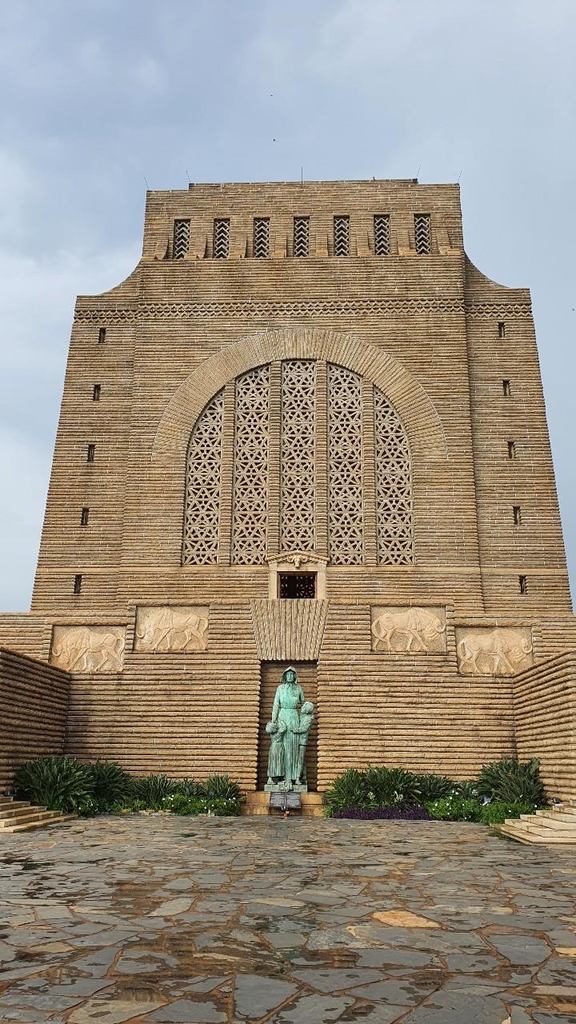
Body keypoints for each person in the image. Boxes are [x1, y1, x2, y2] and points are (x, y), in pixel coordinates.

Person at [269, 666, 305, 786]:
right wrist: (274, 720)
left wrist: (306, 719)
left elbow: (304, 706)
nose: (290, 676)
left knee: (293, 748)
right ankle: (282, 776)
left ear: (295, 676)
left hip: (294, 717)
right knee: (282, 748)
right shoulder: (280, 688)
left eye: (292, 674)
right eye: (288, 674)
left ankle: (293, 777)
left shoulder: (299, 689)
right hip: (283, 715)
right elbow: (275, 704)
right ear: (284, 676)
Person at [292, 701, 314, 786]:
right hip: (297, 740)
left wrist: (294, 730)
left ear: (307, 709)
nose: (302, 707)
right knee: (300, 760)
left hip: (302, 742)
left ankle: (297, 778)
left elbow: (303, 729)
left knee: (300, 760)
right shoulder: (302, 716)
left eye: (304, 706)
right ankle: (303, 777)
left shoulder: (308, 719)